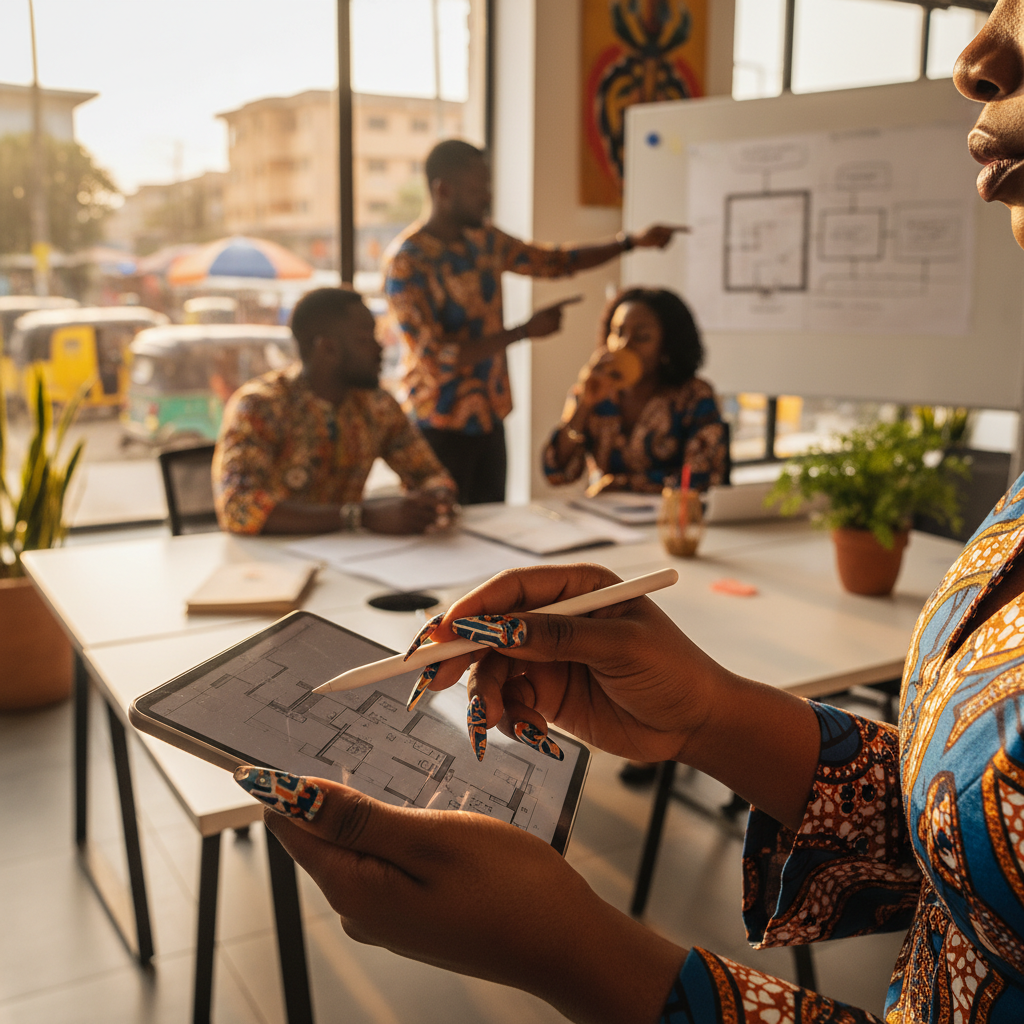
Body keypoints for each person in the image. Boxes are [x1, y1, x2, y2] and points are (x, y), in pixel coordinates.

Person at [228, 10, 1024, 1022]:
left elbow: (549, 266)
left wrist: (575, 950)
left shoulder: (672, 393)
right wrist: (712, 712)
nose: (974, 55)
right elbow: (964, 829)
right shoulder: (415, 272)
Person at [383, 137, 683, 504]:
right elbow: (437, 357)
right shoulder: (408, 261)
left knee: (490, 532)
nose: (488, 197)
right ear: (443, 190)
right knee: (437, 534)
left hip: (491, 422)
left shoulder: (485, 242)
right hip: (438, 425)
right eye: (479, 189)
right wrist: (523, 331)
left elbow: (553, 262)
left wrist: (631, 242)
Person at [213, 287, 456, 536]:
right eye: (365, 339)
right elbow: (239, 508)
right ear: (327, 348)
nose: (379, 348)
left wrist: (436, 497)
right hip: (271, 564)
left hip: (356, 558)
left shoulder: (377, 406)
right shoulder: (261, 406)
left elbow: (430, 474)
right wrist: (360, 517)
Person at [543, 287, 727, 496]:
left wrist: (618, 484)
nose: (624, 344)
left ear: (667, 345)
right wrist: (584, 405)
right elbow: (557, 472)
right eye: (617, 332)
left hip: (669, 520)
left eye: (642, 337)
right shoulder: (594, 390)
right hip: (605, 518)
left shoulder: (693, 396)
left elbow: (701, 477)